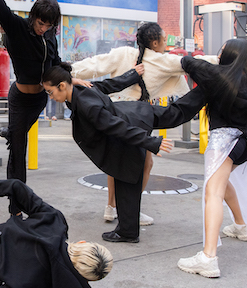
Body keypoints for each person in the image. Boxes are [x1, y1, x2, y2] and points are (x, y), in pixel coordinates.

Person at [42, 62, 206, 243]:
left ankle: (128, 232)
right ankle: (207, 89)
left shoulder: (87, 105)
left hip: (127, 129)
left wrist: (151, 142)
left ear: (62, 86)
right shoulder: (81, 88)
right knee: (176, 113)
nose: (50, 97)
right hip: (134, 115)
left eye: (50, 92)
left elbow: (115, 126)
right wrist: (132, 75)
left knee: (127, 180)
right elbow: (109, 85)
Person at [0, 0, 87, 215]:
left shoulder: (49, 36)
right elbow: (0, 9)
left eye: (49, 25)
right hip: (20, 99)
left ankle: (10, 131)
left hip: (41, 98)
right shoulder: (18, 28)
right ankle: (16, 208)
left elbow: (55, 62)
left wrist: (72, 78)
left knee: (16, 134)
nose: (43, 29)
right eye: (41, 23)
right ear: (33, 17)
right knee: (18, 151)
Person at [70, 22, 191, 226]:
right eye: (163, 39)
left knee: (116, 162)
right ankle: (129, 209)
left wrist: (67, 72)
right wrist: (66, 74)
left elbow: (95, 64)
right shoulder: (152, 60)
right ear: (155, 42)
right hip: (133, 116)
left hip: (121, 112)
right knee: (142, 163)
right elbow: (188, 64)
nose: (165, 43)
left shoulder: (131, 54)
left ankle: (113, 207)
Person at [176, 38, 247, 278]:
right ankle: (241, 225)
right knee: (223, 184)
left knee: (212, 193)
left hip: (223, 142)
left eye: (222, 52)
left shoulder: (219, 77)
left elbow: (189, 63)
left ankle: (208, 258)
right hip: (244, 144)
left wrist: (200, 59)